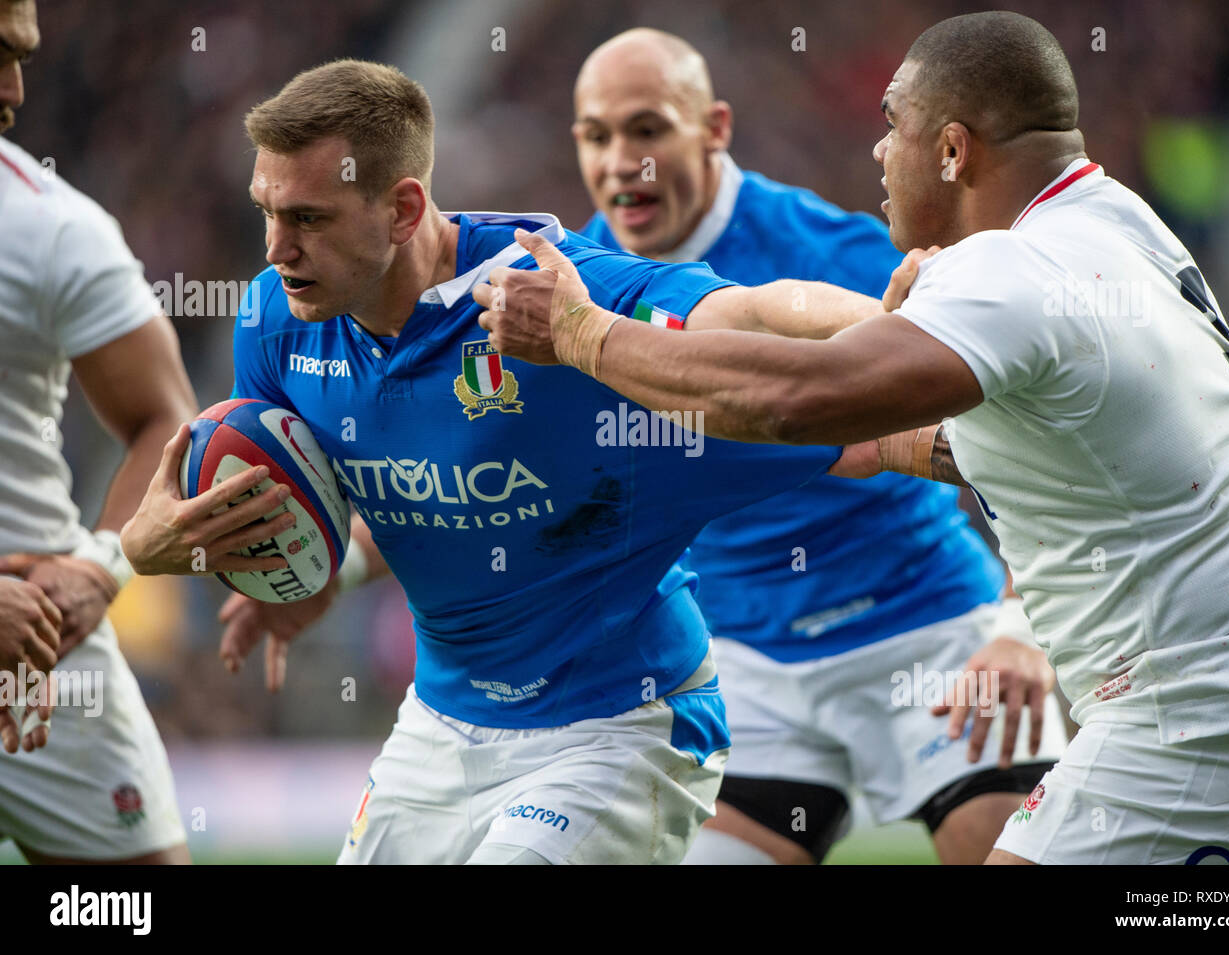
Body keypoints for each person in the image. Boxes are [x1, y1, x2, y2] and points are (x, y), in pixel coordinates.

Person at [477, 11, 1229, 865]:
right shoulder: (1115, 220)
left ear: (951, 150)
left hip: (1191, 700)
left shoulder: (1000, 268)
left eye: (891, 126)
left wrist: (582, 336)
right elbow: (1011, 447)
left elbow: (797, 400)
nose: (876, 152)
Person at [118, 58, 891, 865]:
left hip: (616, 726)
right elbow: (390, 494)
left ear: (404, 209)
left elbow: (753, 309)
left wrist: (901, 334)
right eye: (266, 213)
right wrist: (200, 553)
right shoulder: (276, 322)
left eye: (308, 218)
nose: (276, 249)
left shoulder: (557, 295)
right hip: (440, 724)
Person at [569, 28, 1064, 865]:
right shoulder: (577, 281)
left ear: (714, 128)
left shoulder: (837, 254)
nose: (622, 160)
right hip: (745, 664)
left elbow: (1027, 430)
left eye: (647, 129)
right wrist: (343, 559)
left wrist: (1024, 624)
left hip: (930, 627)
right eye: (595, 135)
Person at [0, 0, 192, 864]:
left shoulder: (52, 230)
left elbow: (169, 422)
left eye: (23, 59)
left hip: (43, 641)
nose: (11, 90)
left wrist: (97, 568)